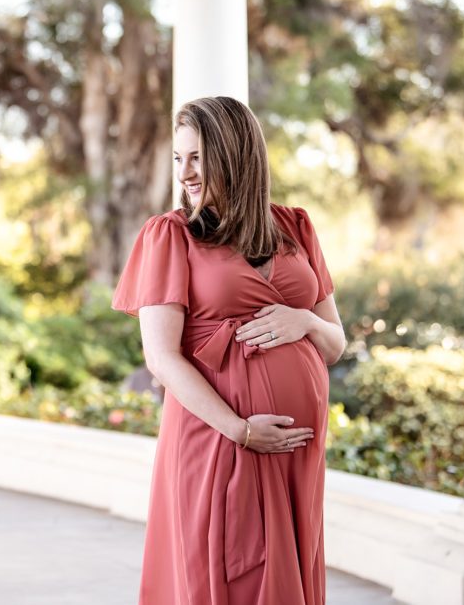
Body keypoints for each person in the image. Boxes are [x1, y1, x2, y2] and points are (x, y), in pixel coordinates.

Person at [111, 96, 346, 605]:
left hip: (295, 448)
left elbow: (334, 342)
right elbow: (162, 357)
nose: (185, 173)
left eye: (197, 157)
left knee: (286, 565)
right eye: (179, 159)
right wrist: (240, 430)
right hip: (219, 435)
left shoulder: (296, 227)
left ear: (236, 154)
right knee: (229, 565)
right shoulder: (171, 236)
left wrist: (303, 319)